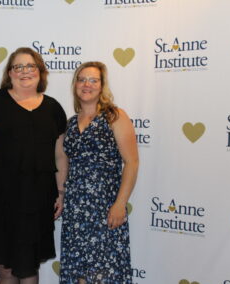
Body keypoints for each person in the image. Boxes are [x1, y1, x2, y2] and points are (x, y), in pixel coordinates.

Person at [0, 47, 68, 284]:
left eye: (30, 66)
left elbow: (60, 156)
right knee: (5, 265)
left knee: (29, 265)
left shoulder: (54, 108)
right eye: (18, 67)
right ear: (10, 73)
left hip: (39, 196)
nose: (25, 71)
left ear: (40, 72)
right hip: (2, 193)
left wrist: (61, 193)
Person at [59, 61, 139, 284]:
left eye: (93, 80)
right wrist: (61, 195)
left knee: (105, 273)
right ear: (75, 85)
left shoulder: (115, 116)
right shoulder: (71, 123)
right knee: (78, 274)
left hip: (105, 207)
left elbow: (131, 162)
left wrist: (120, 204)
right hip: (75, 209)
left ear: (102, 85)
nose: (87, 84)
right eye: (82, 79)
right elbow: (64, 164)